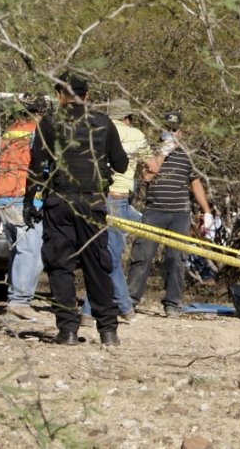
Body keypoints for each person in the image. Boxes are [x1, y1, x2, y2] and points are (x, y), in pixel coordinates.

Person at [24, 72, 128, 345]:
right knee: (96, 266)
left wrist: (30, 203)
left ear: (59, 95)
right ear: (87, 95)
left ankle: (68, 331)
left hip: (59, 202)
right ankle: (108, 332)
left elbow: (35, 167)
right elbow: (122, 165)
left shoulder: (49, 123)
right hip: (92, 203)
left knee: (60, 267)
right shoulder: (103, 123)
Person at [126, 112, 213, 317]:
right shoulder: (150, 150)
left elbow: (195, 182)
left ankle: (172, 303)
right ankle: (130, 300)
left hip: (180, 213)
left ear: (180, 132)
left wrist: (206, 211)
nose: (170, 132)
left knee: (176, 259)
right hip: (154, 211)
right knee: (142, 255)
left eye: (174, 129)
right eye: (166, 128)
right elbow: (146, 175)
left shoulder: (187, 154)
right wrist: (163, 153)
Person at [80, 99, 150, 326]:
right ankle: (119, 308)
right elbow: (152, 169)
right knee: (109, 257)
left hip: (94, 196)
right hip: (117, 199)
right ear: (127, 117)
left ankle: (99, 310)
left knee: (104, 253)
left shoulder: (95, 130)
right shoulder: (135, 135)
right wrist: (168, 147)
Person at [0, 93, 48, 322]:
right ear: (40, 113)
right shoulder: (37, 131)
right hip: (22, 195)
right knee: (31, 251)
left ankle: (14, 302)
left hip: (3, 195)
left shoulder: (10, 131)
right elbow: (40, 164)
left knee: (18, 250)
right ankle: (19, 301)